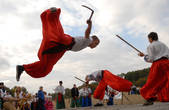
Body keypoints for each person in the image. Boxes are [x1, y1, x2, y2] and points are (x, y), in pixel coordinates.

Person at [16, 7, 100, 81]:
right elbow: (87, 34)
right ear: (94, 40)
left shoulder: (87, 42)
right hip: (68, 42)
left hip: (64, 48)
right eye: (96, 44)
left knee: (47, 64)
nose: (95, 46)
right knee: (57, 36)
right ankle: (53, 14)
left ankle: (22, 68)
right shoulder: (89, 39)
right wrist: (90, 25)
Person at [138, 32, 169, 106]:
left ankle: (149, 97)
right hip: (167, 63)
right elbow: (160, 55)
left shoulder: (151, 46)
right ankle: (164, 97)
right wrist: (145, 55)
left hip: (158, 64)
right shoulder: (163, 45)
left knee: (152, 81)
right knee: (164, 81)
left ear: (150, 38)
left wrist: (144, 57)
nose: (148, 40)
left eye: (148, 39)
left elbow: (151, 58)